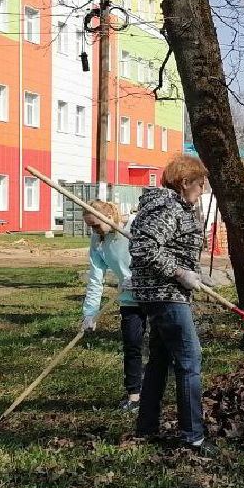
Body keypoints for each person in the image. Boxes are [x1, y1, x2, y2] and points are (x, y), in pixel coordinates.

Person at [129, 156, 210, 457]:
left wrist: (195, 274)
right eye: (200, 183)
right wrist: (179, 272)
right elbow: (143, 247)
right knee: (190, 359)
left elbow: (171, 246)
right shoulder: (167, 207)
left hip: (167, 292)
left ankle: (146, 427)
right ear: (185, 182)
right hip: (165, 294)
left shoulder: (177, 207)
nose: (202, 189)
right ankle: (193, 437)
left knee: (160, 360)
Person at [82, 199, 144, 413]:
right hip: (128, 299)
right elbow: (95, 278)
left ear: (109, 217)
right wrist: (90, 314)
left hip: (154, 296)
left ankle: (161, 393)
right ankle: (134, 396)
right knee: (132, 346)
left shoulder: (135, 226)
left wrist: (141, 277)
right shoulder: (98, 241)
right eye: (90, 226)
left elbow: (157, 256)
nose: (94, 230)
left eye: (96, 225)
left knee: (162, 346)